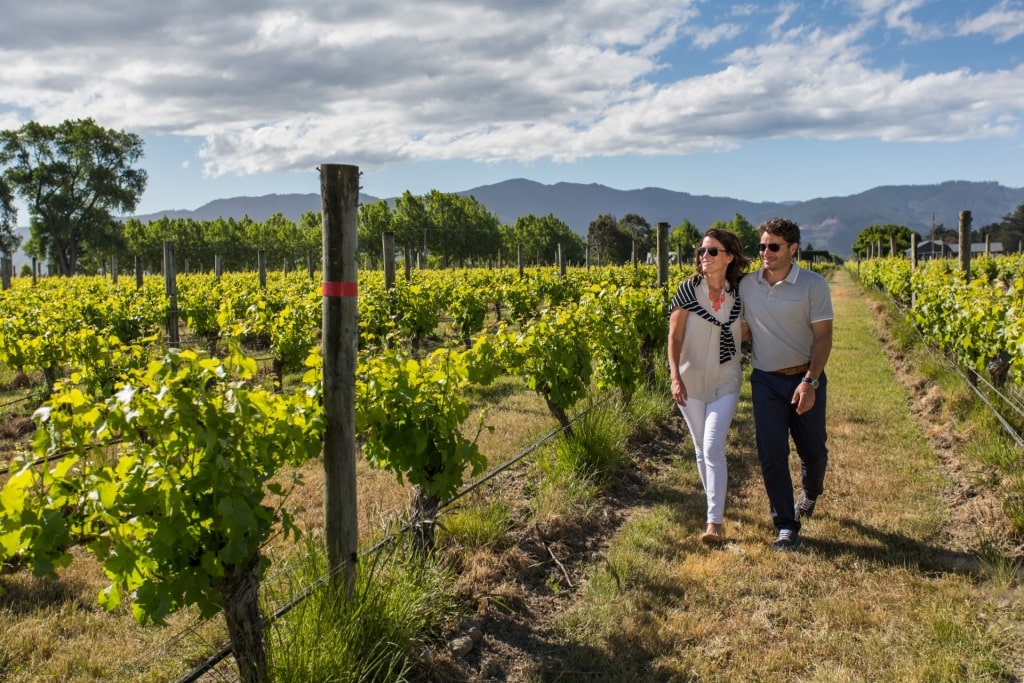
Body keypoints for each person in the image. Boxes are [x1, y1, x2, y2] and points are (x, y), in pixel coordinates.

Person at [739, 217, 834, 551]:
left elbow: (823, 338)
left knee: (814, 452)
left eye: (774, 246)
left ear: (793, 249)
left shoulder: (813, 285)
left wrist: (810, 381)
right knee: (771, 454)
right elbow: (739, 327)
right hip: (765, 380)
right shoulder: (747, 285)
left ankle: (811, 491)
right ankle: (784, 524)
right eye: (762, 246)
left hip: (805, 378)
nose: (766, 252)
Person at [668, 228, 751, 546]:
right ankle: (713, 503)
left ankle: (713, 522)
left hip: (726, 379)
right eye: (702, 251)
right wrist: (675, 377)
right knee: (701, 448)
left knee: (713, 446)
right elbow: (674, 338)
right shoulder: (688, 290)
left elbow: (749, 329)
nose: (705, 256)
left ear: (729, 257)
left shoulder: (742, 293)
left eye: (712, 251)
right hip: (689, 381)